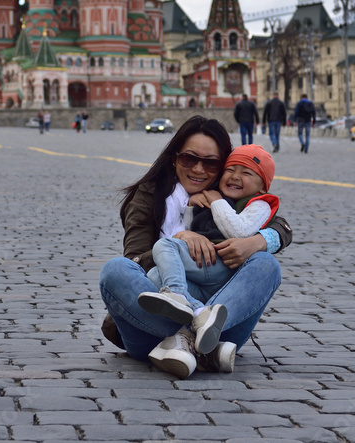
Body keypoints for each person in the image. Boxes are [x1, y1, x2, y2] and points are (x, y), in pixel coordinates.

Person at [99, 116, 292, 379]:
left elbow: (277, 221)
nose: (199, 169)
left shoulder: (226, 194)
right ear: (174, 159)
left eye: (211, 163)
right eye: (189, 159)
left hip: (220, 327)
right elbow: (135, 259)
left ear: (222, 166)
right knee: (115, 270)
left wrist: (257, 242)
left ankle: (195, 337)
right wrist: (181, 240)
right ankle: (198, 337)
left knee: (267, 264)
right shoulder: (151, 194)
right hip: (151, 330)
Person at [137, 145, 279, 360]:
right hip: (204, 265)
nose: (235, 176)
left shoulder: (259, 205)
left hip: (222, 264)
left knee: (165, 245)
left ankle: (177, 294)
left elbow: (238, 231)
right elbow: (193, 228)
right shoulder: (216, 197)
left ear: (262, 187)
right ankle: (200, 317)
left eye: (246, 173)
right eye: (230, 170)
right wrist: (192, 207)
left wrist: (216, 201)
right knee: (155, 275)